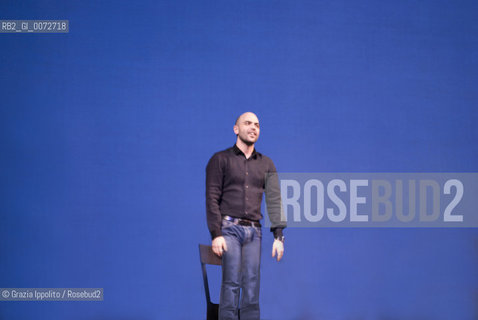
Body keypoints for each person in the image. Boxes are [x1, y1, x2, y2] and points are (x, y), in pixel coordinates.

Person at [205, 112, 286, 320]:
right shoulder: (220, 159)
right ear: (236, 129)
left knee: (251, 286)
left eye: (257, 125)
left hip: (254, 232)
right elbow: (212, 198)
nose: (253, 128)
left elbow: (274, 200)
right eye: (248, 123)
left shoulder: (266, 163)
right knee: (231, 284)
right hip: (229, 229)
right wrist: (216, 234)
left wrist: (278, 236)